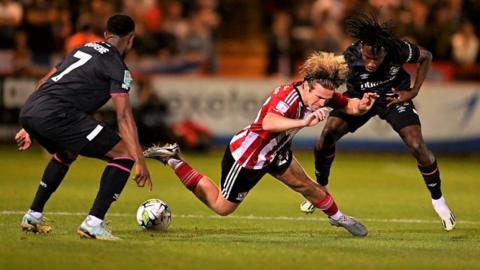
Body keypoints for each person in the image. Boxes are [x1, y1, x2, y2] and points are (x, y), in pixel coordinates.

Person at [144, 52, 378, 237]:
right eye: (318, 98)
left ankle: (338, 218)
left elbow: (349, 105)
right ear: (306, 85)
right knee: (222, 207)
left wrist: (363, 105)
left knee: (305, 185)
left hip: (276, 151)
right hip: (248, 155)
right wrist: (304, 121)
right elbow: (268, 122)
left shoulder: (322, 91)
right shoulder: (286, 98)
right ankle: (173, 159)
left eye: (326, 100)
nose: (321, 103)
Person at [299, 12, 456, 232]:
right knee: (326, 135)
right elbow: (331, 80)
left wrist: (413, 91)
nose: (371, 63)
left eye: (377, 59)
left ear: (385, 52)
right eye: (367, 58)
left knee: (417, 145)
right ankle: (321, 190)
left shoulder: (397, 49)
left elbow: (427, 56)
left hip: (391, 97)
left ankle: (439, 201)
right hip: (358, 98)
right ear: (361, 49)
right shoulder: (351, 55)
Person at [15, 14, 151, 240]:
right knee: (124, 154)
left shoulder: (83, 49)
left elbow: (44, 81)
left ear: (106, 34)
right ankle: (93, 222)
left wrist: (28, 125)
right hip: (58, 113)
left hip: (31, 109)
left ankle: (33, 215)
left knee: (67, 151)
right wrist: (139, 158)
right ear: (131, 39)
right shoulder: (117, 66)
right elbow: (124, 116)